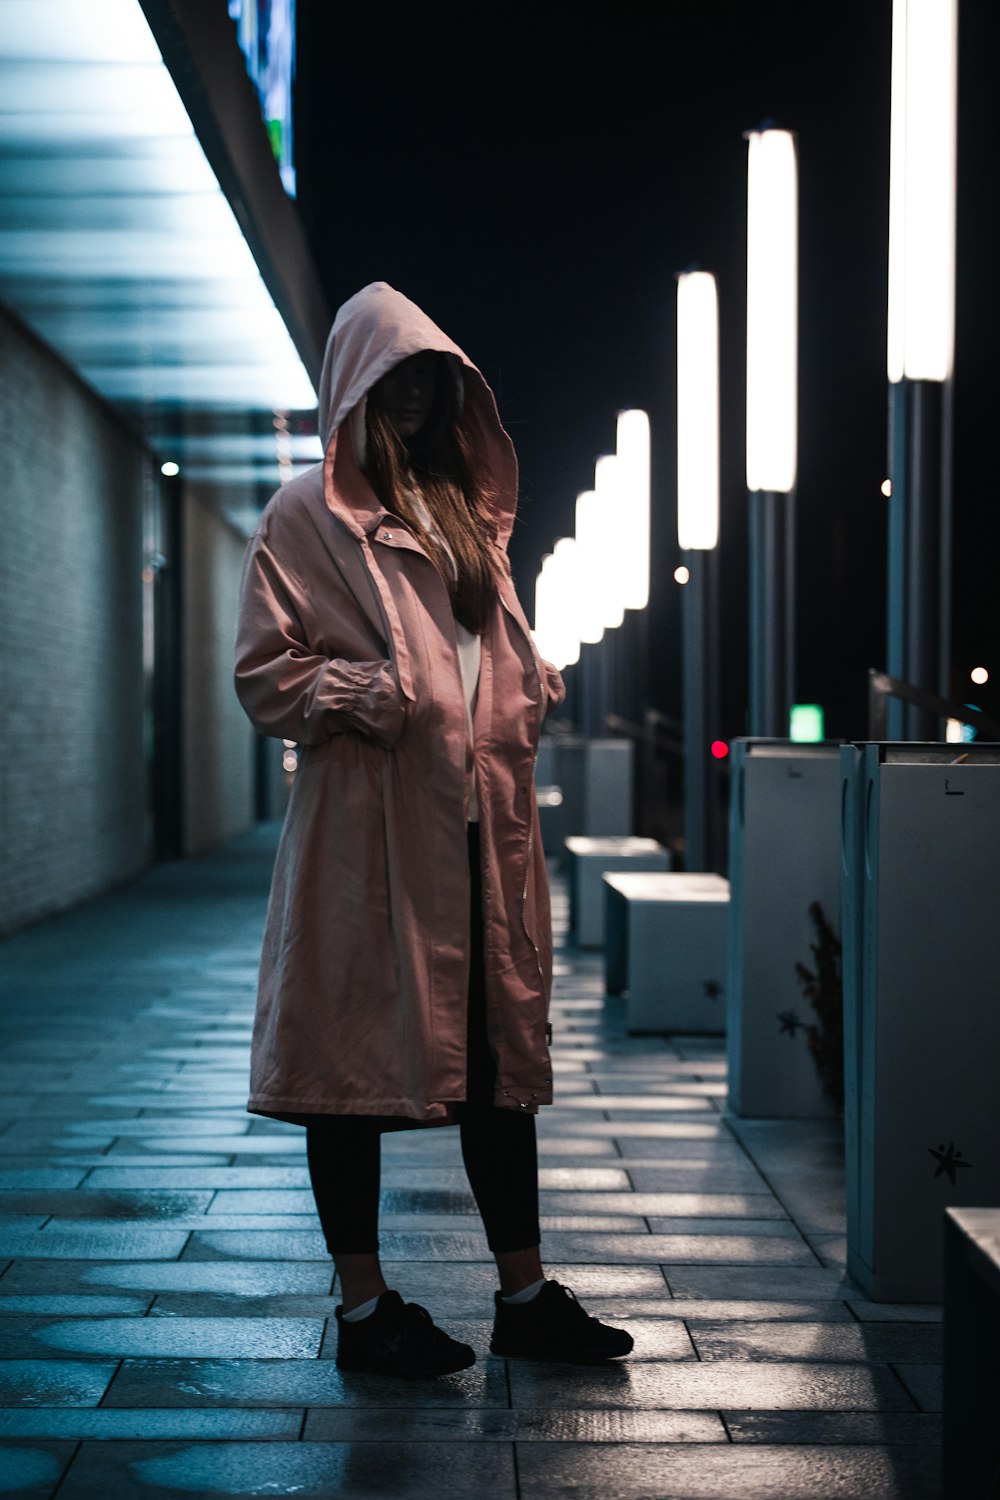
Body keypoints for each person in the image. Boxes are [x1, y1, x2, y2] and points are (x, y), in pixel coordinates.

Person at [235, 282, 632, 1377]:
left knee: (499, 1066)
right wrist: (369, 692)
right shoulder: (302, 517)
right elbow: (265, 676)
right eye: (394, 378)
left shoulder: (469, 517)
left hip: (477, 835)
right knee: (348, 1067)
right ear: (353, 388)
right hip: (365, 840)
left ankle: (523, 1293)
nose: (412, 396)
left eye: (430, 379)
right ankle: (364, 1313)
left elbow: (475, 658)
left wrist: (523, 681)